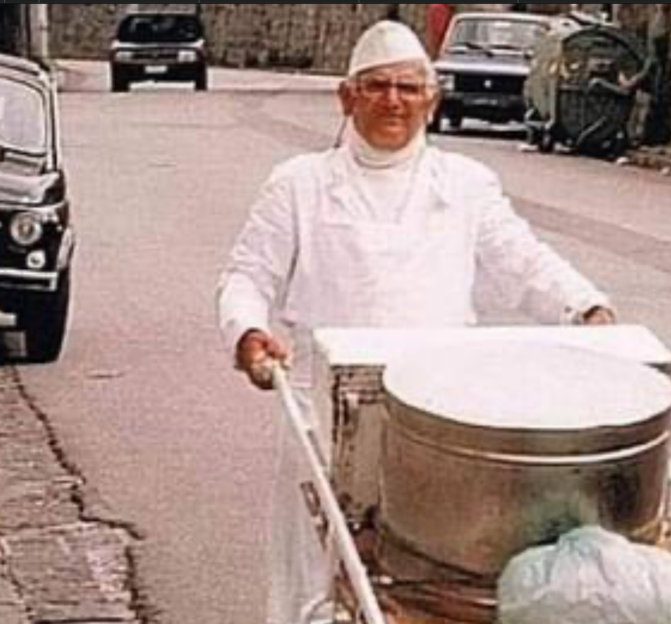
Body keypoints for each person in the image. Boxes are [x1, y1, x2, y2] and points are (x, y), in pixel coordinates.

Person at [216, 20, 615, 624]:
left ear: (432, 99)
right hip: (329, 416)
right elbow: (247, 276)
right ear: (347, 98)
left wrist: (584, 307)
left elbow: (523, 261)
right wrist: (249, 334)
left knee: (434, 578)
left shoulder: (465, 184)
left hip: (440, 416)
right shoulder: (299, 184)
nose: (393, 101)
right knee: (321, 578)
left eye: (408, 87)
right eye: (377, 87)